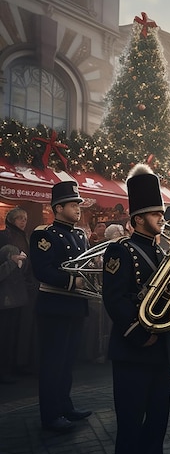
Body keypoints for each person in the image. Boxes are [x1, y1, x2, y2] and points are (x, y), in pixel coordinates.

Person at [102, 164, 170, 454]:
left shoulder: (165, 252)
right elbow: (115, 301)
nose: (160, 217)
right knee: (131, 423)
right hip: (134, 351)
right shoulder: (120, 252)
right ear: (136, 218)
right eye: (153, 213)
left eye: (159, 212)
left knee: (159, 419)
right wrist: (140, 333)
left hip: (161, 350)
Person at [30, 181, 92, 433]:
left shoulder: (79, 235)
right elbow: (42, 271)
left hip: (75, 306)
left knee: (67, 362)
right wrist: (72, 281)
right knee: (53, 363)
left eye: (78, 204)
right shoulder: (43, 234)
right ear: (58, 208)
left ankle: (65, 405)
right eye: (73, 204)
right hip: (54, 306)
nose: (78, 208)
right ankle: (50, 414)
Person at [0, 207, 38, 375]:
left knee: (19, 329)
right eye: (19, 218)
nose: (23, 221)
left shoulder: (26, 237)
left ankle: (16, 364)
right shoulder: (4, 236)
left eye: (25, 218)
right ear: (11, 220)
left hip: (24, 288)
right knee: (6, 331)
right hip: (8, 290)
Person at [0, 244, 27, 383]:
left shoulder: (18, 266)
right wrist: (12, 263)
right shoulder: (6, 265)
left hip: (16, 304)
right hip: (5, 306)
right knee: (5, 339)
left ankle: (9, 368)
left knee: (12, 338)